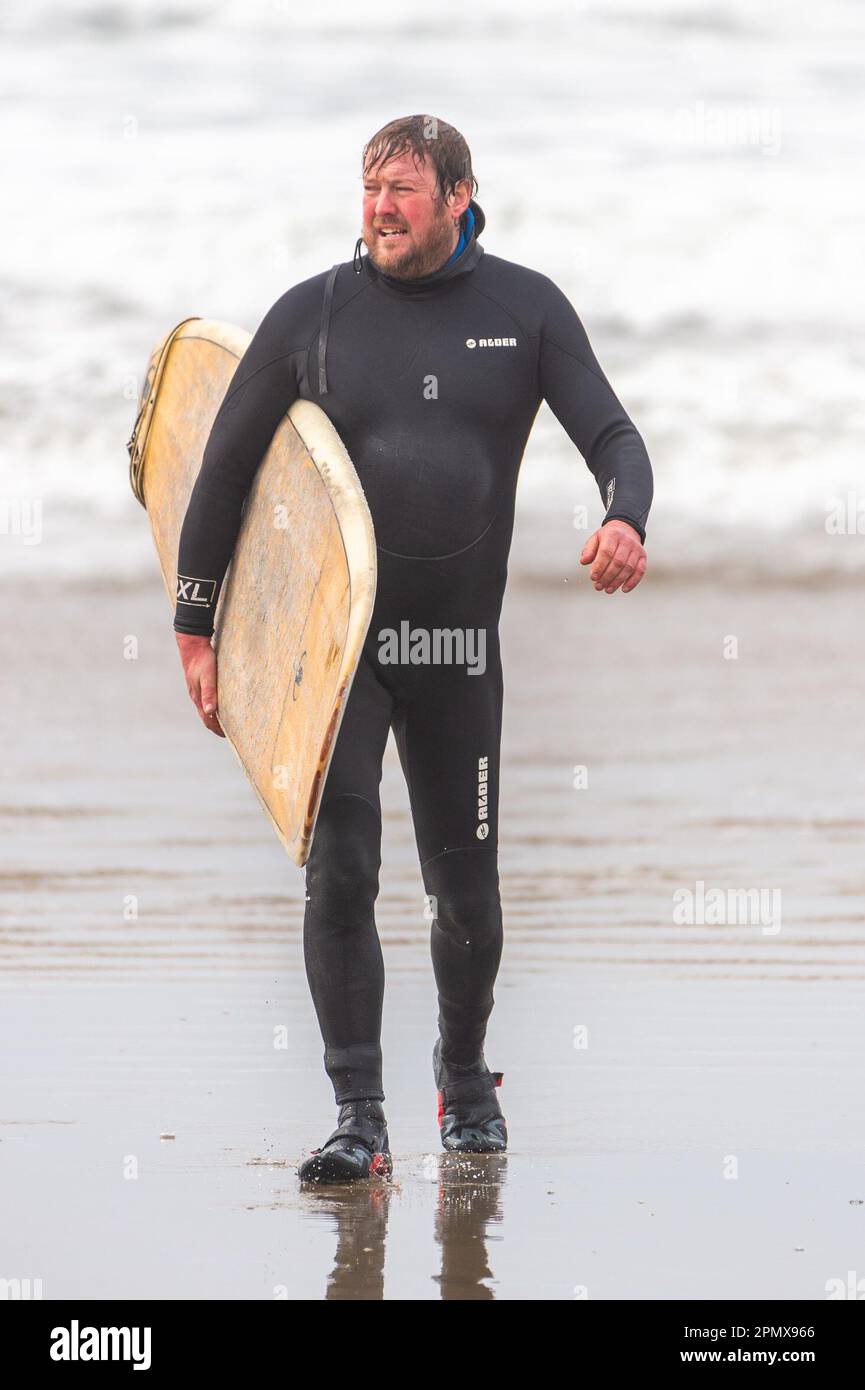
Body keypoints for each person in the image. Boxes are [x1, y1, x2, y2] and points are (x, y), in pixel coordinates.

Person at [173, 115, 653, 1184]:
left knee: (466, 896)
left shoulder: (524, 311)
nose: (381, 208)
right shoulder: (315, 315)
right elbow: (220, 471)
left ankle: (467, 1079)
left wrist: (626, 516)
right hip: (338, 656)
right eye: (369, 188)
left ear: (457, 196)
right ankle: (358, 1114)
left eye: (401, 189)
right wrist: (196, 626)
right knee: (339, 870)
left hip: (456, 651)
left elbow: (614, 438)